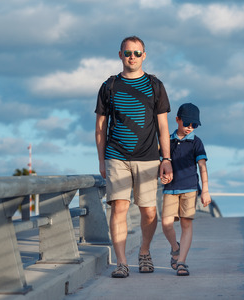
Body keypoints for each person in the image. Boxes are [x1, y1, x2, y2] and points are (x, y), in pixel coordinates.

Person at [95, 36, 173, 278]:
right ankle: (121, 262)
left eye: (137, 53)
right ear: (120, 55)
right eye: (128, 52)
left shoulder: (155, 86)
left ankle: (144, 252)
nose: (132, 57)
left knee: (149, 211)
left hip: (149, 157)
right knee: (119, 207)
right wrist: (101, 160)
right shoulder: (109, 87)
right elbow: (100, 127)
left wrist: (166, 159)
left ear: (144, 56)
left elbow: (162, 127)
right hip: (116, 156)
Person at [160, 102, 212, 276]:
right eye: (187, 123)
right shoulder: (168, 141)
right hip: (170, 188)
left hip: (190, 188)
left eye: (194, 125)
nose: (190, 128)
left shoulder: (196, 142)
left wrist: (205, 190)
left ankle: (181, 261)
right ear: (177, 120)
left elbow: (202, 167)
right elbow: (161, 163)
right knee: (166, 224)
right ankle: (175, 248)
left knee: (186, 224)